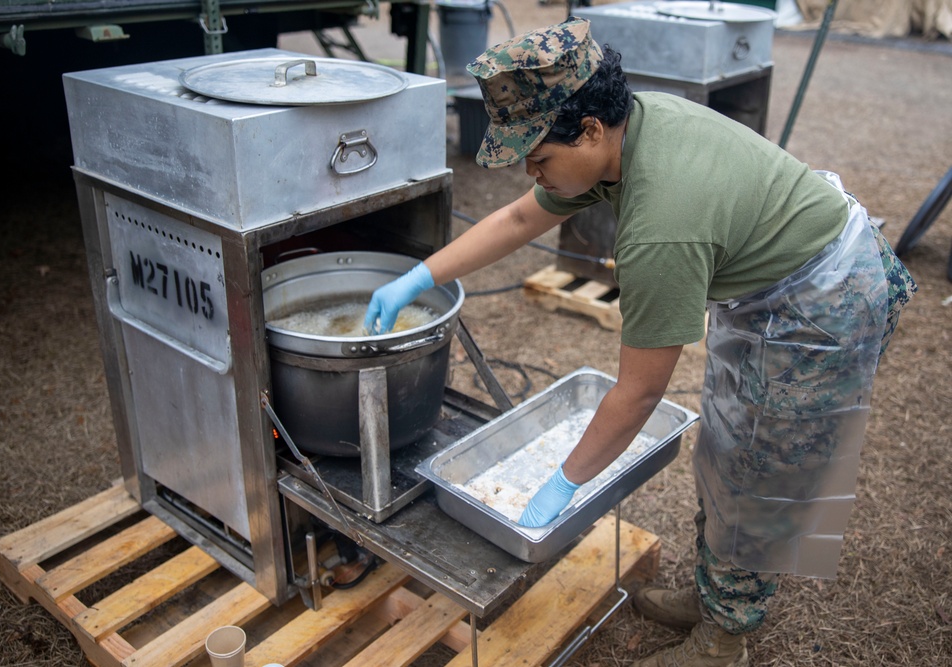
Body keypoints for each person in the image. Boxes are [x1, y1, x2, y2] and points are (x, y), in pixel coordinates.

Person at [363, 17, 916, 667]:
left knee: (759, 466)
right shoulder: (627, 128)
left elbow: (639, 390)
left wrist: (562, 484)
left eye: (538, 157)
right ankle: (717, 597)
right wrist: (421, 276)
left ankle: (724, 639)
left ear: (590, 130)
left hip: (826, 298)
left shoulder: (660, 224)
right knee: (730, 443)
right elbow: (519, 215)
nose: (532, 172)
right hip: (783, 276)